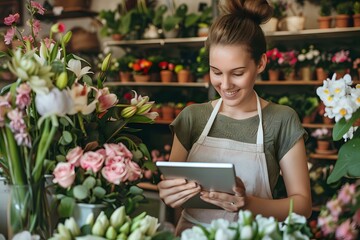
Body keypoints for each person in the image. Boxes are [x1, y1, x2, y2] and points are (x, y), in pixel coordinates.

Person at [157, 0, 312, 235]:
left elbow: (302, 206)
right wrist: (168, 193)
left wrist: (248, 204)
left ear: (260, 63)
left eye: (237, 73)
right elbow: (173, 189)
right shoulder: (192, 118)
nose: (226, 84)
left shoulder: (281, 120)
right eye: (216, 72)